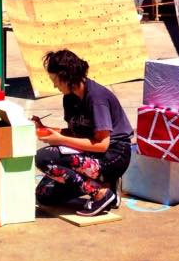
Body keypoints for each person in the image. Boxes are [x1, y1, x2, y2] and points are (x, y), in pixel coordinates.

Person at [34, 49, 132, 216]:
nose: (55, 86)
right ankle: (106, 184)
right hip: (92, 153)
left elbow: (102, 145)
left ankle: (100, 193)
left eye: (56, 81)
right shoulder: (69, 97)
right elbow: (76, 132)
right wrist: (47, 130)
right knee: (44, 194)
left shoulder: (96, 98)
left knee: (43, 158)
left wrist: (60, 140)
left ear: (67, 77)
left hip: (113, 156)